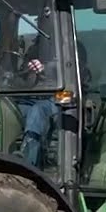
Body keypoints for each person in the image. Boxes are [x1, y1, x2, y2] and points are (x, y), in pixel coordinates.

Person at [16, 33, 90, 169]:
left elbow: (74, 69)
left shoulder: (73, 47)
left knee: (37, 111)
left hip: (60, 99)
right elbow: (21, 75)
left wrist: (46, 67)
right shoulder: (34, 49)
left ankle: (27, 164)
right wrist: (27, 69)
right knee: (8, 108)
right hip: (32, 97)